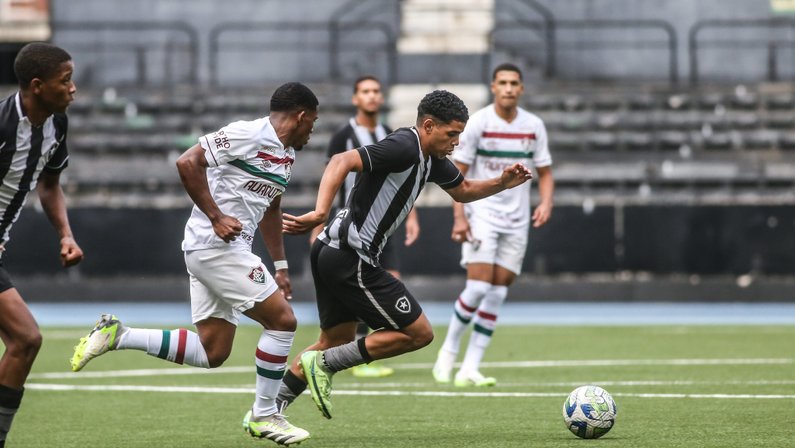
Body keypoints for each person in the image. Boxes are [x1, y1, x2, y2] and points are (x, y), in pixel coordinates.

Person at [70, 82, 319, 446]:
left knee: (213, 351)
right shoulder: (248, 133)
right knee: (283, 322)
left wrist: (280, 265)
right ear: (300, 115)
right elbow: (187, 162)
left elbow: (272, 209)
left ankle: (118, 335)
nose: (313, 129)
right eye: (312, 122)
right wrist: (216, 216)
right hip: (215, 248)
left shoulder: (286, 155)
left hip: (222, 252)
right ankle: (265, 415)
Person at [275, 89, 533, 421]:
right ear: (428, 126)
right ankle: (324, 365)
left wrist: (501, 182)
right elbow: (341, 160)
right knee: (419, 333)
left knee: (334, 340)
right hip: (351, 256)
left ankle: (268, 408)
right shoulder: (405, 146)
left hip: (331, 251)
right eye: (452, 134)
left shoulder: (432, 159)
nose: (456, 142)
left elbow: (464, 191)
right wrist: (321, 210)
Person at [432, 63, 554, 387]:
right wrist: (459, 216)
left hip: (517, 221)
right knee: (478, 288)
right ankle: (448, 352)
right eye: (503, 82)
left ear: (522, 88)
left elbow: (545, 170)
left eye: (514, 83)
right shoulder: (479, 123)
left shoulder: (534, 126)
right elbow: (457, 173)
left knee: (498, 293)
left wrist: (546, 202)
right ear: (493, 86)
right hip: (482, 213)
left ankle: (470, 366)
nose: (509, 88)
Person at [0, 42, 84, 448]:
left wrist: (65, 235)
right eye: (65, 81)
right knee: (25, 338)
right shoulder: (1, 124)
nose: (73, 89)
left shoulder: (57, 124)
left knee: (24, 340)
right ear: (37, 86)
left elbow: (50, 185)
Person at [314, 75, 420, 378]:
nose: (372, 96)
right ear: (355, 98)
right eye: (365, 91)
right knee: (367, 285)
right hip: (350, 226)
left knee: (392, 281)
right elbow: (330, 175)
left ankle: (368, 348)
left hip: (383, 227)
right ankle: (359, 348)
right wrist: (319, 219)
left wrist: (411, 217)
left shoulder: (390, 133)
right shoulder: (344, 135)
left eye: (376, 91)